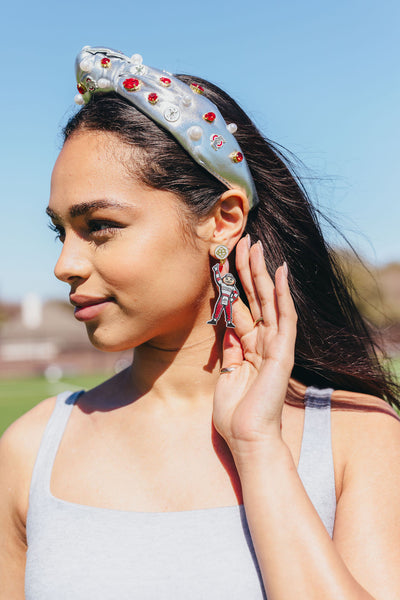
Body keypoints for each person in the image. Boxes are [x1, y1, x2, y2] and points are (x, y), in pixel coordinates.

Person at [1, 46, 400, 600]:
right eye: (60, 231)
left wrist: (259, 448)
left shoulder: (358, 437)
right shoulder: (29, 448)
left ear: (223, 219)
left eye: (100, 225)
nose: (65, 265)